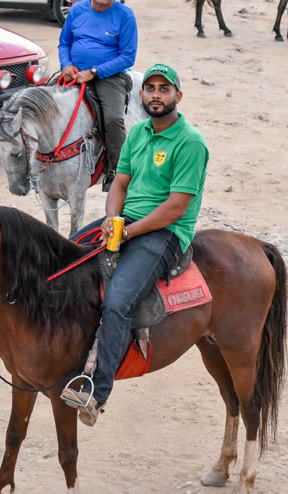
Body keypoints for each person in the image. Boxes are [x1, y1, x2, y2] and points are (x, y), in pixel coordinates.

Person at [62, 64, 209, 426]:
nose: (156, 95)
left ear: (178, 96)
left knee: (117, 302)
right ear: (141, 96)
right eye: (150, 89)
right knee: (63, 257)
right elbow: (119, 185)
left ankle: (98, 392)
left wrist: (128, 233)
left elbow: (176, 206)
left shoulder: (190, 142)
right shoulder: (138, 132)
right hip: (125, 222)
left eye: (164, 89)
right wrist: (114, 220)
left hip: (165, 232)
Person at [58, 0, 138, 192]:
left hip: (109, 77)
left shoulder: (125, 15)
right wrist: (66, 64)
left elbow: (128, 56)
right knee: (45, 108)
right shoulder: (77, 10)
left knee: (113, 119)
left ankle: (116, 171)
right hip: (74, 73)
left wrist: (94, 71)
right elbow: (64, 43)